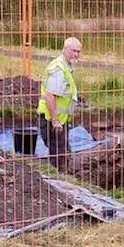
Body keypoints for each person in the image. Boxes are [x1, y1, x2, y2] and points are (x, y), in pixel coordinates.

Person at [38, 37, 81, 169]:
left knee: (63, 152)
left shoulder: (66, 66)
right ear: (65, 49)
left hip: (61, 120)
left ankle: (61, 176)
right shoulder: (58, 69)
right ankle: (57, 180)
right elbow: (51, 96)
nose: (76, 54)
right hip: (52, 120)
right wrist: (55, 121)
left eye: (79, 51)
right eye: (73, 50)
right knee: (58, 155)